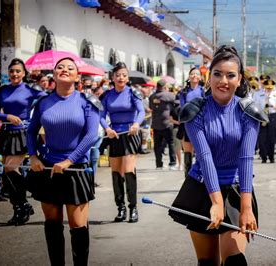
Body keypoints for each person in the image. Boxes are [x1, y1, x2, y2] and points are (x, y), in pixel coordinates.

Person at [168, 45, 267, 266]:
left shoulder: (249, 112)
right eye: (217, 74)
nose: (224, 80)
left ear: (239, 79)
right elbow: (204, 157)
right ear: (208, 76)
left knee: (235, 261)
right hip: (201, 188)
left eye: (230, 75)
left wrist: (246, 207)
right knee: (208, 263)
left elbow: (246, 160)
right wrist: (215, 201)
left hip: (235, 190)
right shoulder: (195, 111)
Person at [26, 57, 101, 265]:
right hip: (48, 168)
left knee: (78, 225)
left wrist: (69, 160)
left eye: (70, 68)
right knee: (52, 224)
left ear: (77, 76)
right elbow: (31, 131)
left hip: (76, 169)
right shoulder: (42, 102)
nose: (65, 70)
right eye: (60, 67)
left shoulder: (88, 102)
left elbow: (91, 136)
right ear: (54, 73)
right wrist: (33, 156)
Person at [0, 58, 46, 225]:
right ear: (9, 73)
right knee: (8, 173)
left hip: (23, 133)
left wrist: (36, 121)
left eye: (18, 71)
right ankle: (20, 207)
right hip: (7, 133)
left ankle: (27, 198)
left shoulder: (31, 89)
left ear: (24, 73)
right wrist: (7, 116)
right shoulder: (3, 91)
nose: (14, 74)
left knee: (10, 169)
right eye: (12, 71)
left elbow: (47, 100)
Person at [100, 62, 145, 223]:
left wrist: (136, 124)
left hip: (130, 134)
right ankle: (120, 207)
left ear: (127, 77)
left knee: (128, 170)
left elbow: (141, 111)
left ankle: (133, 207)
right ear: (113, 77)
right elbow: (100, 115)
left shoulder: (133, 93)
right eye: (118, 75)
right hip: (114, 136)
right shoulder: (107, 96)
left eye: (124, 75)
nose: (121, 78)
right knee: (116, 173)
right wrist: (107, 128)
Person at [177, 68, 204, 176]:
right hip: (187, 123)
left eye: (197, 74)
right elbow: (182, 107)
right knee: (187, 153)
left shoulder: (203, 90)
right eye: (192, 74)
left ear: (200, 77)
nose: (194, 76)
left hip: (200, 123)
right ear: (189, 77)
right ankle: (187, 179)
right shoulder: (183, 92)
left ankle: (200, 177)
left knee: (200, 153)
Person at [149, 80, 176, 170]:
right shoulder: (168, 95)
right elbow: (175, 101)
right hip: (166, 123)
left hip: (156, 124)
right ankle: (172, 162)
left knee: (157, 145)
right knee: (171, 143)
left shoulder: (152, 97)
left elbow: (150, 107)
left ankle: (159, 164)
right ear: (164, 87)